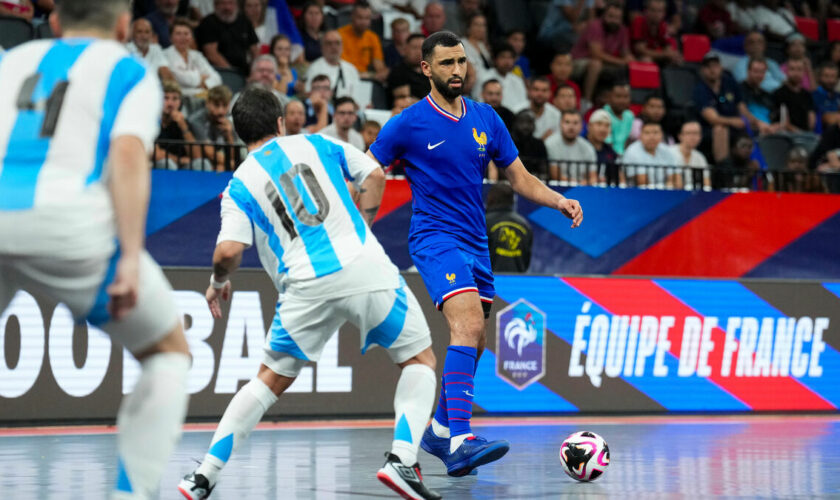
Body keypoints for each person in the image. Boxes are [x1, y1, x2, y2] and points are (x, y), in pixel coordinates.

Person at [177, 86, 441, 500]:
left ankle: (203, 476)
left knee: (266, 382)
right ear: (281, 122)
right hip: (364, 265)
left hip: (306, 286)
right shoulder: (318, 142)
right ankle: (402, 461)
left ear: (239, 134)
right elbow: (374, 174)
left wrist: (217, 284)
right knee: (419, 360)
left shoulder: (239, 184)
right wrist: (363, 224)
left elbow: (228, 251)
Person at [366, 31, 583, 477]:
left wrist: (558, 199)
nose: (458, 70)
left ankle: (440, 429)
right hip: (434, 238)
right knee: (465, 325)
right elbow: (368, 168)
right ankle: (462, 438)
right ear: (426, 68)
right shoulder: (408, 123)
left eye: (462, 61)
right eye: (447, 63)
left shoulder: (487, 118)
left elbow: (519, 178)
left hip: (475, 243)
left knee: (478, 340)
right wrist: (356, 220)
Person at [0, 1, 191, 498]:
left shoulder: (14, 59)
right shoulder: (130, 72)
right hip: (68, 223)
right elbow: (128, 156)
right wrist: (128, 255)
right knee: (168, 353)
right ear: (125, 26)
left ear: (55, 20)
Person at [570, 1, 633, 103]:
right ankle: (587, 101)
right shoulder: (596, 26)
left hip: (604, 62)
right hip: (578, 62)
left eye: (617, 18)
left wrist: (631, 60)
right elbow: (596, 54)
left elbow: (626, 53)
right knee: (596, 64)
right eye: (610, 16)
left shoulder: (622, 30)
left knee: (627, 68)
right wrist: (621, 61)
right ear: (604, 15)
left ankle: (622, 101)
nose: (613, 20)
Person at [693, 52, 745, 162]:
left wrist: (756, 123)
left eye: (715, 66)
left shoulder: (729, 83)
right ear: (703, 70)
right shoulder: (700, 90)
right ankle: (723, 170)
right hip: (708, 130)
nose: (712, 70)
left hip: (735, 127)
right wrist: (733, 121)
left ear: (721, 67)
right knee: (720, 128)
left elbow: (742, 107)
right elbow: (713, 119)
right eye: (708, 67)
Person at [155, 80, 212, 171]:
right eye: (166, 98)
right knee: (168, 164)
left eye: (175, 99)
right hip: (157, 166)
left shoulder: (185, 123)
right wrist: (180, 160)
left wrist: (183, 126)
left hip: (182, 167)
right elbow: (155, 154)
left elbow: (197, 156)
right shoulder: (153, 122)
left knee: (203, 164)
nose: (170, 104)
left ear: (180, 102)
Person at [196, 0, 259, 76]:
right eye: (223, 3)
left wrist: (255, 70)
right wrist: (232, 72)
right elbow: (211, 54)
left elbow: (255, 50)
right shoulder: (208, 22)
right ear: (215, 5)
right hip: (217, 71)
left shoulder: (244, 21)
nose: (227, 7)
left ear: (237, 5)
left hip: (243, 71)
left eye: (231, 3)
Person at [164, 18, 223, 97]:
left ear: (192, 37)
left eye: (186, 34)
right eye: (178, 34)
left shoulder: (197, 55)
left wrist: (204, 83)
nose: (183, 37)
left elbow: (217, 78)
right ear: (170, 38)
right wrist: (201, 78)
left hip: (202, 96)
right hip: (179, 97)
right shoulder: (164, 55)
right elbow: (179, 78)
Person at [188, 85, 239, 171]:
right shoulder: (196, 120)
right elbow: (209, 153)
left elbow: (233, 155)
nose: (220, 111)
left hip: (220, 163)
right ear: (207, 103)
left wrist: (229, 135)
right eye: (216, 105)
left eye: (224, 105)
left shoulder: (228, 122)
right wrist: (233, 163)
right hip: (198, 162)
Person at [485, 183, 533, 273]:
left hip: (489, 281)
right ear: (512, 200)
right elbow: (526, 260)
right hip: (517, 281)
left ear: (490, 198)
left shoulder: (484, 222)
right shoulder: (525, 225)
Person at [338, 2, 388, 82]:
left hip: (367, 79)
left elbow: (379, 65)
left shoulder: (373, 37)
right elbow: (342, 67)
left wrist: (383, 72)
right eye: (360, 18)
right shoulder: (339, 35)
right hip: (345, 78)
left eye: (367, 18)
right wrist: (371, 75)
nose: (364, 22)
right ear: (352, 17)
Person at [621, 120, 679, 187]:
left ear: (662, 135)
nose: (652, 137)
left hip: (665, 192)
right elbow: (642, 182)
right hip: (639, 194)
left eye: (655, 133)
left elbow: (675, 178)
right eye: (647, 133)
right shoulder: (632, 151)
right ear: (640, 135)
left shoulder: (666, 150)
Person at [545, 109, 597, 182]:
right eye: (567, 122)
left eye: (575, 123)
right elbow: (555, 175)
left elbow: (593, 177)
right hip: (557, 189)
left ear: (581, 126)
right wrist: (579, 184)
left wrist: (581, 185)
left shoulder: (588, 147)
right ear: (560, 124)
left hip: (582, 189)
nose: (571, 127)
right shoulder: (550, 143)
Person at [305, 30, 361, 98]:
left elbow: (358, 96)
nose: (334, 47)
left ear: (342, 46)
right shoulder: (314, 68)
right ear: (322, 47)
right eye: (329, 43)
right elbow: (309, 94)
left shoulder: (351, 69)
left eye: (337, 43)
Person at [473, 42, 527, 111]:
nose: (507, 62)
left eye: (510, 57)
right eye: (503, 57)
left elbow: (524, 103)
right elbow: (478, 101)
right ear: (495, 60)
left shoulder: (517, 80)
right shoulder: (484, 77)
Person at [631, 0, 681, 66]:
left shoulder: (663, 25)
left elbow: (668, 45)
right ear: (646, 11)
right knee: (646, 60)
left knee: (676, 60)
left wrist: (672, 54)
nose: (656, 14)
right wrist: (664, 54)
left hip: (655, 55)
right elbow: (640, 50)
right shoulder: (639, 22)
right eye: (653, 10)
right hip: (636, 57)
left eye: (659, 11)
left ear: (664, 13)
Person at [771, 58, 815, 133]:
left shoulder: (807, 94)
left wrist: (807, 134)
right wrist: (800, 133)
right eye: (792, 69)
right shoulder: (779, 93)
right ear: (786, 71)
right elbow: (784, 121)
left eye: (799, 69)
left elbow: (811, 119)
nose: (796, 73)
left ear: (804, 72)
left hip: (806, 135)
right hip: (787, 135)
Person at [740, 57, 781, 135]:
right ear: (748, 71)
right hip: (748, 132)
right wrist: (758, 123)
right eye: (756, 71)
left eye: (762, 72)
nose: (759, 75)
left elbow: (778, 117)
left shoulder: (767, 95)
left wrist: (777, 126)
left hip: (770, 133)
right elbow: (742, 111)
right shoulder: (738, 90)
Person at [387, 33, 432, 104]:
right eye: (414, 48)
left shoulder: (431, 73)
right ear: (405, 50)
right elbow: (404, 101)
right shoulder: (398, 72)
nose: (418, 52)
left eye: (422, 48)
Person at [514, 76, 561, 141]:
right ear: (529, 91)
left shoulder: (556, 115)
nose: (540, 94)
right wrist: (541, 141)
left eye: (544, 90)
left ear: (550, 93)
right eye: (536, 89)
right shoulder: (516, 111)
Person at [667, 121, 710, 190]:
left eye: (696, 133)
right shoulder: (669, 152)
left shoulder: (700, 157)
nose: (692, 137)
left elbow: (707, 183)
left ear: (700, 137)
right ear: (680, 136)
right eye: (688, 133)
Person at [587, 109, 621, 185]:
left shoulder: (611, 152)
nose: (603, 129)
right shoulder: (581, 146)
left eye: (607, 126)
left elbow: (617, 177)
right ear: (589, 126)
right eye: (599, 124)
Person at [603, 81, 634, 155]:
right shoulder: (603, 115)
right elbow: (607, 144)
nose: (622, 101)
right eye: (618, 96)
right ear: (609, 97)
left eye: (626, 97)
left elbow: (629, 140)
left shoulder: (630, 115)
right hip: (609, 157)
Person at [461, 13, 492, 77]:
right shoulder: (461, 43)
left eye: (483, 25)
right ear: (468, 27)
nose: (480, 28)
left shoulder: (482, 45)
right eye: (476, 24)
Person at [813, 63, 840, 132]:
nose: (830, 80)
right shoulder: (814, 96)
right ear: (820, 77)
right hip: (820, 137)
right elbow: (827, 118)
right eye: (826, 76)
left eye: (833, 76)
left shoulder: (838, 96)